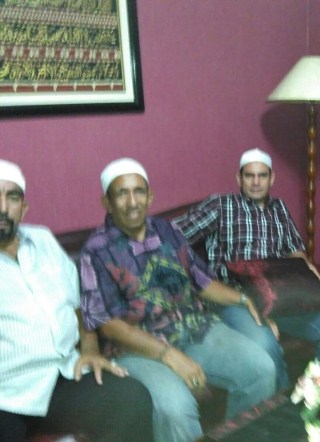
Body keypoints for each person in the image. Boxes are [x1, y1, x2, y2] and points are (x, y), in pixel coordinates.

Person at [79, 157, 276, 442]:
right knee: (176, 408)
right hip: (137, 349)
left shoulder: (167, 231)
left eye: (138, 191)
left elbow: (201, 281)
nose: (132, 202)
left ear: (150, 196)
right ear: (106, 202)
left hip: (195, 329)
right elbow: (108, 325)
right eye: (121, 193)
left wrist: (244, 299)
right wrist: (169, 355)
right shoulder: (96, 251)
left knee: (261, 369)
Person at [0, 159, 153, 442]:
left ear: (24, 207)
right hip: (6, 392)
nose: (2, 207)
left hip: (61, 374)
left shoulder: (42, 240)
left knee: (133, 398)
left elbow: (81, 304)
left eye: (12, 197)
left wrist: (90, 349)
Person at [174, 147, 320, 390]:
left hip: (280, 296)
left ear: (271, 178)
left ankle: (318, 392)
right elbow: (171, 235)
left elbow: (295, 251)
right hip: (237, 299)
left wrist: (308, 275)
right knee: (264, 344)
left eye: (262, 175)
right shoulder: (221, 206)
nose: (256, 182)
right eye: (249, 175)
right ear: (239, 178)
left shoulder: (279, 209)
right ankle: (279, 405)